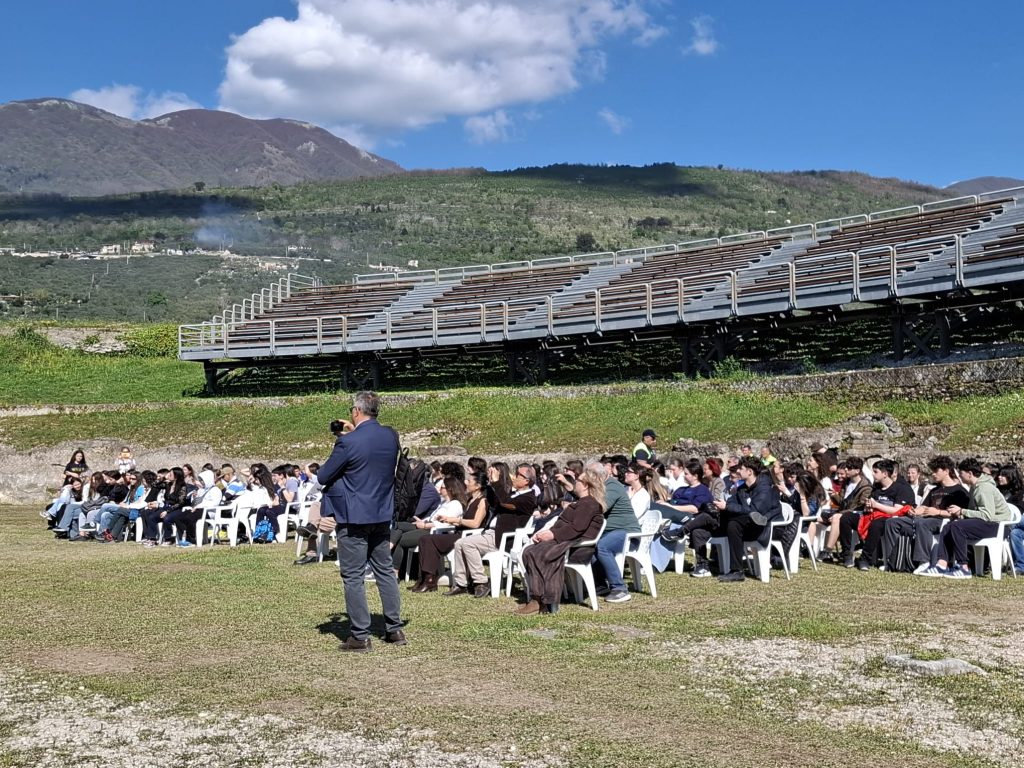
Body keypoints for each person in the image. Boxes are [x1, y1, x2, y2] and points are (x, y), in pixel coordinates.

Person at [317, 391, 405, 651]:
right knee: (384, 571)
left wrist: (343, 439)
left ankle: (360, 634)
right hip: (381, 512)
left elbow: (323, 475)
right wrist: (354, 431)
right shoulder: (390, 436)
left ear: (356, 411)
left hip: (354, 515)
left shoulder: (348, 442)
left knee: (353, 576)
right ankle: (395, 629)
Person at [516, 469, 606, 615]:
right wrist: (544, 534)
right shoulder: (582, 502)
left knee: (540, 553)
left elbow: (577, 528)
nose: (575, 482)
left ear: (585, 485)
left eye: (578, 480)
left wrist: (552, 534)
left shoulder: (589, 504)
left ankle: (542, 599)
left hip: (578, 548)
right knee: (531, 550)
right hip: (567, 541)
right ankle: (538, 598)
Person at [920, 458, 1012, 578]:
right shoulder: (975, 487)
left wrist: (962, 511)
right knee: (948, 527)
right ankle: (941, 565)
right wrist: (961, 514)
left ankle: (963, 567)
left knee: (957, 527)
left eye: (961, 474)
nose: (959, 477)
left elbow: (987, 515)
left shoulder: (984, 489)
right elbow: (977, 513)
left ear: (970, 474)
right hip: (988, 523)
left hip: (998, 525)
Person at [883, 456, 968, 573]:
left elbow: (958, 513)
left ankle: (924, 561)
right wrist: (916, 510)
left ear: (946, 471)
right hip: (924, 519)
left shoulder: (959, 491)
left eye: (935, 471)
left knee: (922, 523)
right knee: (892, 522)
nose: (933, 474)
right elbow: (923, 506)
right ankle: (890, 560)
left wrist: (937, 512)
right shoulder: (934, 490)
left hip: (943, 521)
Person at [712, 457, 783, 582]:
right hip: (749, 524)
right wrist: (724, 507)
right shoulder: (743, 488)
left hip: (766, 528)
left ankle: (736, 570)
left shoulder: (764, 488)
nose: (738, 471)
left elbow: (755, 511)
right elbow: (732, 502)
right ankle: (719, 560)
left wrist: (728, 507)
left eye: (741, 468)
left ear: (749, 472)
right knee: (720, 518)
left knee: (733, 523)